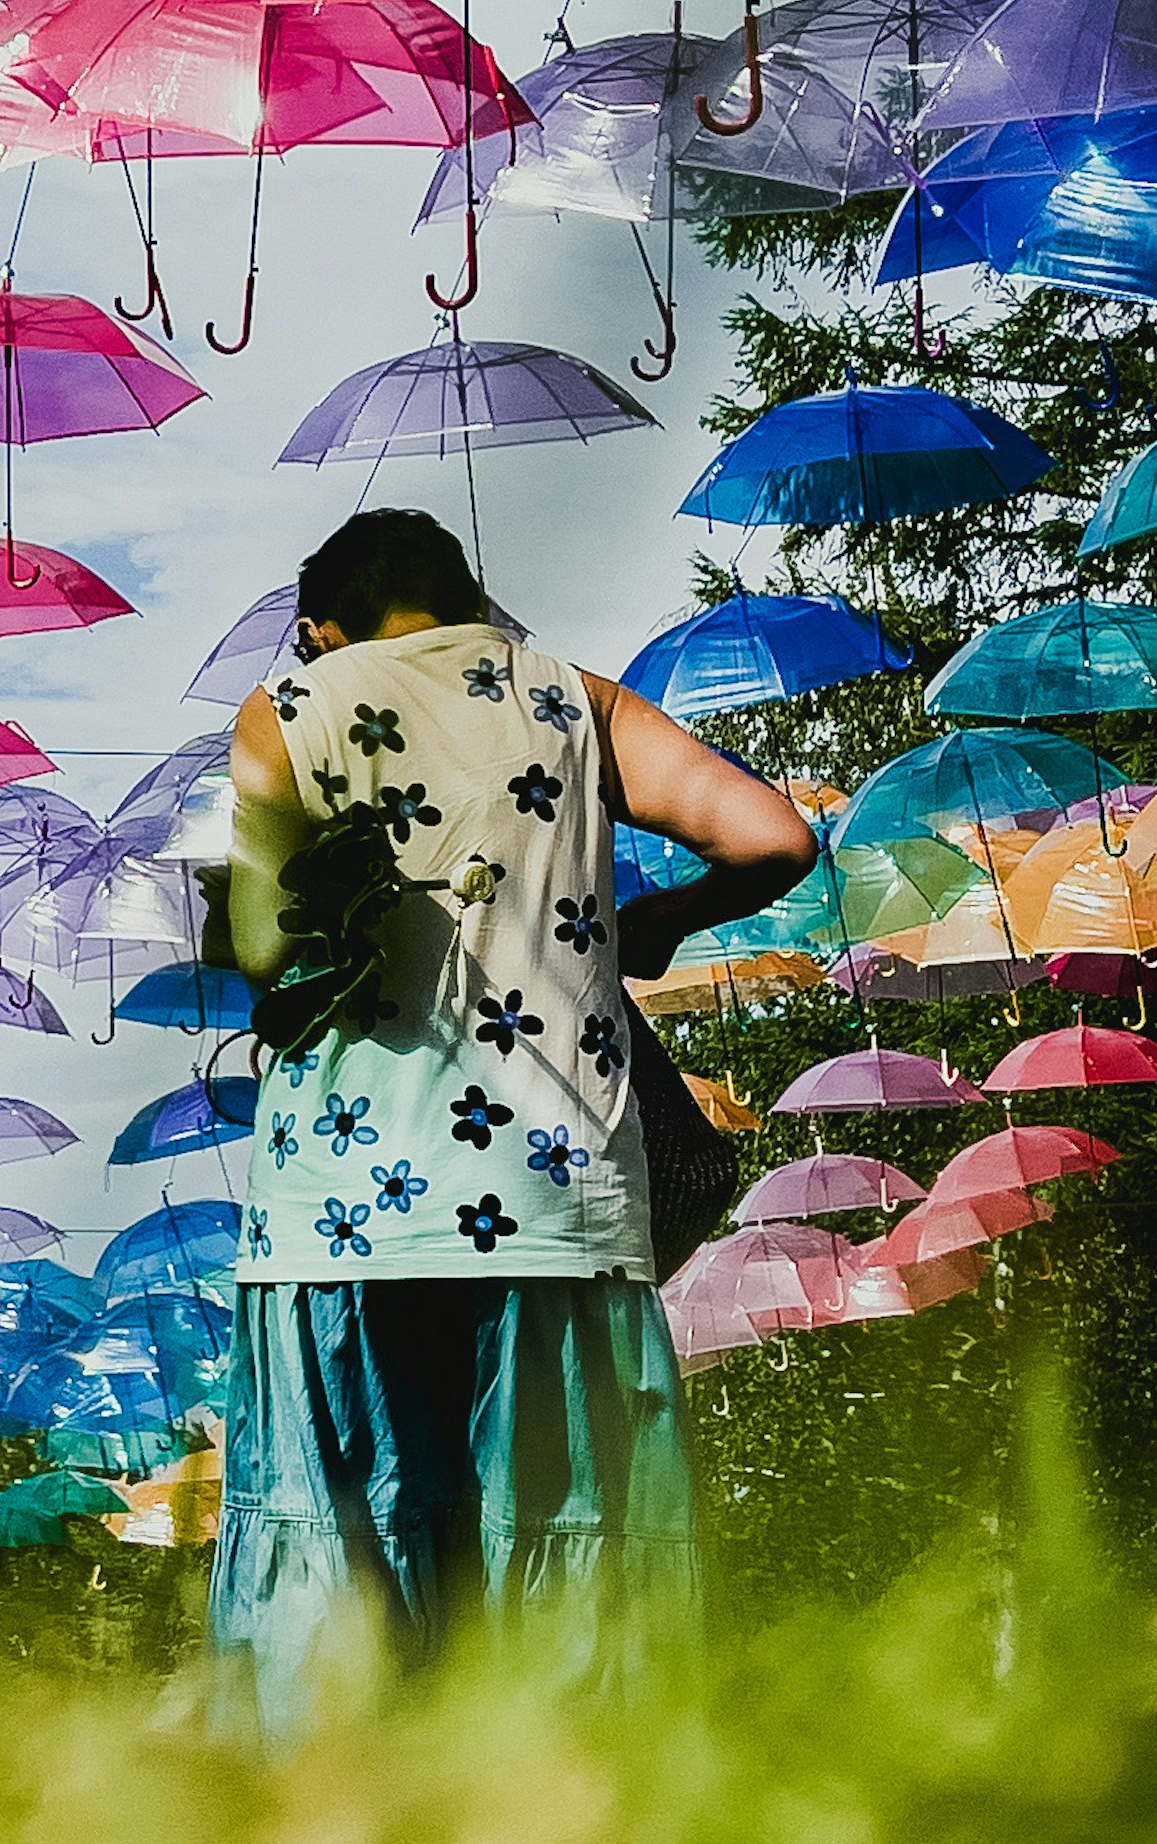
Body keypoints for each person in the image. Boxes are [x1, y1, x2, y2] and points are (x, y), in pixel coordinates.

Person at [210, 503, 814, 1722]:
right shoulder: (572, 702)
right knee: (561, 1551)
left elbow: (263, 950)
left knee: (349, 1566)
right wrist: (665, 919)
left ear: (322, 624)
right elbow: (773, 836)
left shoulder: (290, 710)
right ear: (466, 597)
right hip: (554, 1196)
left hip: (341, 1212)